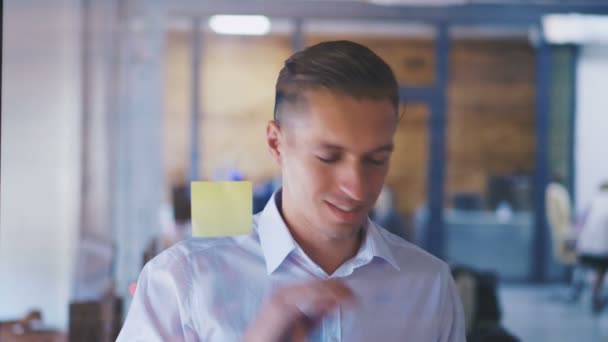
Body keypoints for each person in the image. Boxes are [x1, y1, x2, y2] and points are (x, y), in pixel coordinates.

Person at [117, 40, 465, 341]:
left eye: (375, 160)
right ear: (276, 143)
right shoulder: (182, 281)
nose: (357, 188)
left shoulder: (430, 285)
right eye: (328, 157)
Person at [577, 181, 608, 313]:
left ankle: (596, 297)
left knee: (599, 271)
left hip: (586, 248)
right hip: (602, 248)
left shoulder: (592, 202)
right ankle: (598, 298)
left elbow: (580, 225)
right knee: (600, 270)